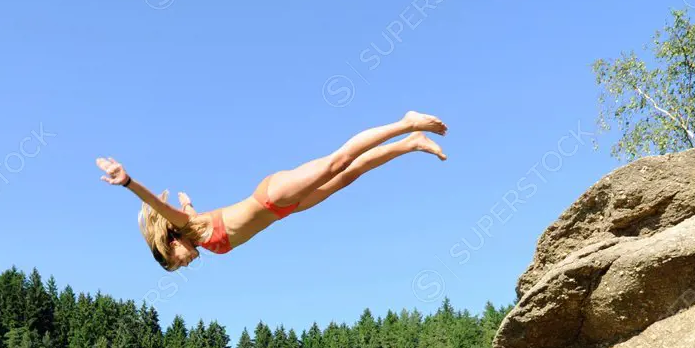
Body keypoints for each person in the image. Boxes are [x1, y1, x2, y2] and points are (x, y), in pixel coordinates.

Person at [97, 111, 447, 271]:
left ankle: (406, 123)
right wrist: (188, 202)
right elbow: (193, 212)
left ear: (172, 245)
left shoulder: (187, 226)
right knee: (347, 177)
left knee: (337, 162)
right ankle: (411, 144)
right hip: (285, 209)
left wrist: (127, 181)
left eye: (178, 262)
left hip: (272, 196)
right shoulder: (194, 228)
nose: (186, 263)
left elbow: (154, 202)